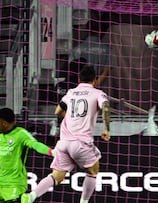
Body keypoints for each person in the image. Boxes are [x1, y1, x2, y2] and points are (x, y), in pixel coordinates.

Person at [21, 65, 111, 203]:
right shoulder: (98, 93)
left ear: (79, 80)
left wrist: (71, 118)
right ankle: (84, 202)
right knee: (93, 171)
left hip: (63, 143)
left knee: (57, 176)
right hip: (81, 142)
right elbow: (105, 107)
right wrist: (107, 128)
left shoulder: (71, 93)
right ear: (94, 80)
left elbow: (57, 111)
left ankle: (31, 196)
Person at [70, 20, 111, 88]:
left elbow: (72, 69)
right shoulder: (107, 49)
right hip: (99, 88)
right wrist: (95, 84)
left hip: (80, 87)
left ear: (86, 30)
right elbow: (106, 71)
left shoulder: (76, 49)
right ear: (100, 30)